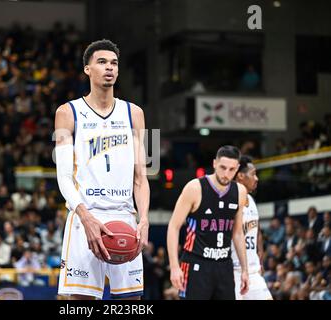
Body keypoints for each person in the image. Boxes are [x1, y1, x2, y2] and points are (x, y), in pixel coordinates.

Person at [55, 39, 150, 300]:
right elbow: (63, 177)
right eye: (102, 62)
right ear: (87, 69)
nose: (109, 67)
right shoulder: (67, 112)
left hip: (125, 216)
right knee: (80, 302)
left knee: (131, 302)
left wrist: (144, 219)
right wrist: (85, 217)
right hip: (86, 216)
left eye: (114, 63)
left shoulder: (135, 114)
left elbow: (141, 177)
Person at [167, 145, 249, 300]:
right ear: (214, 164)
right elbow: (173, 226)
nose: (226, 174)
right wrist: (174, 266)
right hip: (196, 262)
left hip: (224, 264)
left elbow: (237, 232)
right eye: (222, 167)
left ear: (237, 168)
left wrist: (245, 269)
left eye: (231, 169)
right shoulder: (195, 188)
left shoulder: (240, 191)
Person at [231, 155, 272, 300]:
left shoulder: (252, 200)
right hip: (233, 272)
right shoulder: (229, 201)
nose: (257, 178)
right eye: (253, 174)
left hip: (253, 272)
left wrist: (260, 257)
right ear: (240, 176)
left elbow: (257, 232)